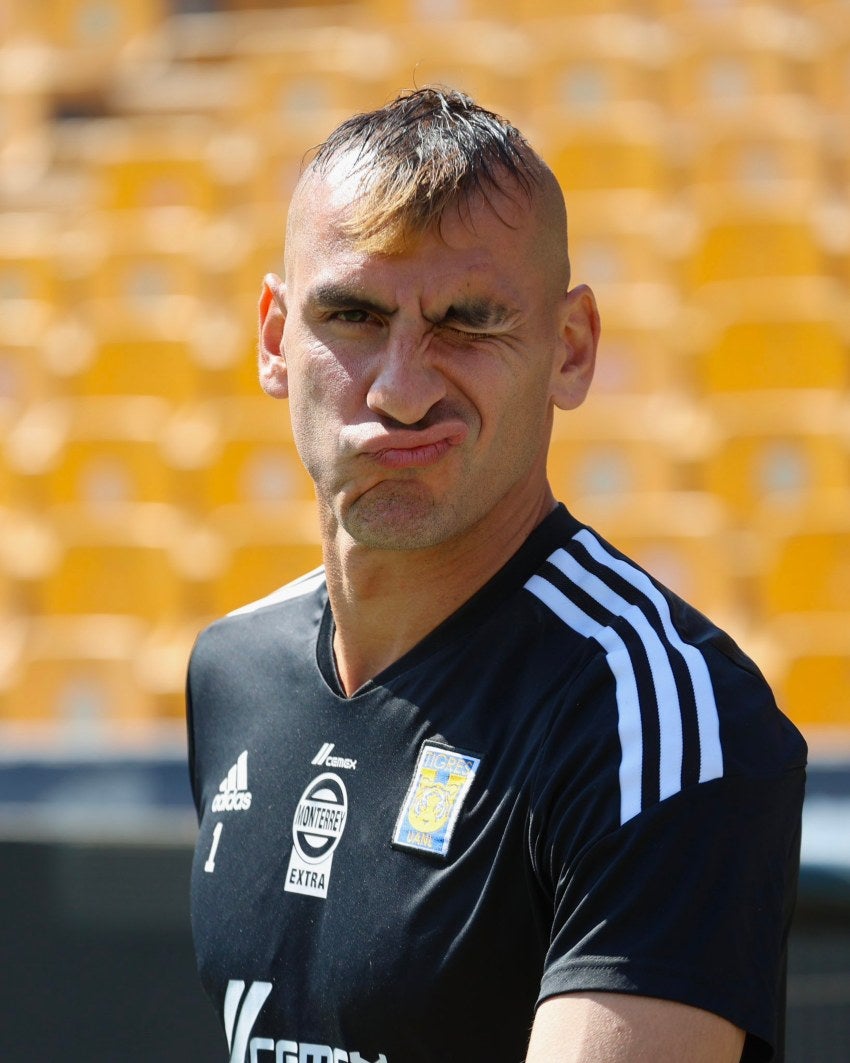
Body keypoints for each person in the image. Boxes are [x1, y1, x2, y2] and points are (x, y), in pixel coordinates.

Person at [186, 88, 806, 1063]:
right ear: (274, 339)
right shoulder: (231, 671)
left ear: (569, 350)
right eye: (350, 314)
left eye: (467, 323)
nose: (399, 388)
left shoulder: (657, 714)